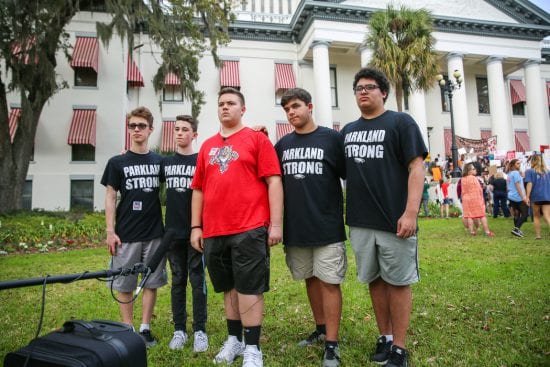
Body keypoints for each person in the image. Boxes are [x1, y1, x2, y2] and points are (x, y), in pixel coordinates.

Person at [190, 87, 283, 367]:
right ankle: (234, 340)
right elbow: (198, 189)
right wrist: (196, 226)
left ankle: (253, 348)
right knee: (228, 287)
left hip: (249, 226)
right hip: (215, 230)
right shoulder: (207, 146)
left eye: (231, 103)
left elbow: (274, 181)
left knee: (249, 287)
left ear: (243, 109)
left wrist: (275, 224)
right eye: (221, 103)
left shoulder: (257, 140)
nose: (225, 107)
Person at [342, 67, 427, 367]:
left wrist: (410, 212)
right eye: (358, 88)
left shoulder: (400, 122)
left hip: (395, 220)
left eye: (370, 86)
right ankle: (385, 337)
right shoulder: (348, 131)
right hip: (361, 222)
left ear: (384, 93)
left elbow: (417, 167)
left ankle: (400, 348)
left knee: (398, 282)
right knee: (375, 281)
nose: (363, 91)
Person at [274, 88, 347, 367]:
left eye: (295, 106)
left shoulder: (331, 139)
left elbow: (349, 174)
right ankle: (320, 328)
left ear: (309, 106)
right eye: (287, 109)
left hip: (327, 225)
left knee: (329, 282)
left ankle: (332, 343)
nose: (291, 112)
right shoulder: (282, 145)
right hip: (297, 228)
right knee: (310, 279)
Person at [101, 106, 166, 347]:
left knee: (151, 282)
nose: (136, 130)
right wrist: (110, 231)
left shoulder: (160, 162)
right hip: (126, 234)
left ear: (150, 129)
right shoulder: (117, 162)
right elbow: (110, 196)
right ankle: (128, 329)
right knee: (124, 283)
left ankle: (145, 328)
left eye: (141, 126)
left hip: (155, 233)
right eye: (132, 126)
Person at [160, 115, 208, 352]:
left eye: (185, 129)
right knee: (178, 281)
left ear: (194, 134)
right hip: (172, 233)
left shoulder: (201, 160)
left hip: (196, 232)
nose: (179, 133)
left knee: (197, 280)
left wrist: (200, 227)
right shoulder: (165, 163)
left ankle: (200, 330)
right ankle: (180, 330)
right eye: (176, 129)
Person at [459, 163, 494, 237]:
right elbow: (479, 189)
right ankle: (487, 231)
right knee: (482, 215)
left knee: (469, 216)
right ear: (469, 171)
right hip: (476, 198)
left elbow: (463, 191)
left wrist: (462, 198)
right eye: (473, 169)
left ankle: (472, 231)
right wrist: (482, 198)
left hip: (466, 199)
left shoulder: (463, 179)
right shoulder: (474, 178)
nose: (475, 170)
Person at [525, 154, 550, 239]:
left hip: (536, 196)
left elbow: (529, 183)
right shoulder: (548, 172)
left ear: (533, 161)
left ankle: (538, 236)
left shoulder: (529, 171)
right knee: (547, 216)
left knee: (536, 216)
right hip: (547, 196)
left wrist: (527, 196)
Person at [507, 159, 529, 237]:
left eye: (519, 163)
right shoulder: (516, 173)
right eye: (517, 163)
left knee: (517, 214)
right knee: (525, 214)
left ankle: (517, 230)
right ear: (513, 165)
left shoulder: (509, 174)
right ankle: (516, 229)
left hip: (511, 196)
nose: (519, 165)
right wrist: (523, 196)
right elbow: (518, 185)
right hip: (518, 196)